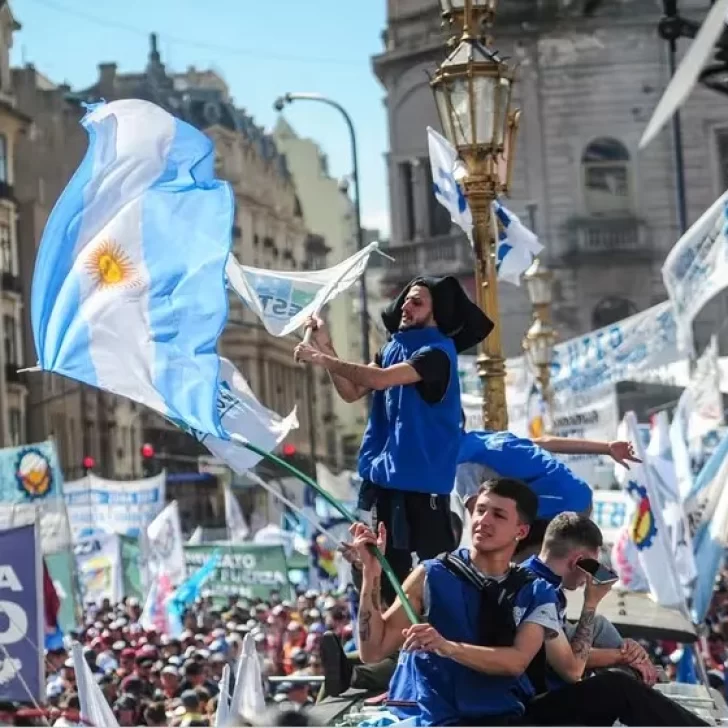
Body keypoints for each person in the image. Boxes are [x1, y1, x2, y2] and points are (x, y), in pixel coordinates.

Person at [295, 275, 493, 604]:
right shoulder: (391, 347)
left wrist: (321, 358)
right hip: (382, 482)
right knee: (384, 572)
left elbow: (379, 379)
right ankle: (393, 647)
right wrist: (325, 346)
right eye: (405, 299)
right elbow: (352, 390)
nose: (405, 305)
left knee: (432, 577)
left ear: (436, 313)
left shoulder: (437, 353)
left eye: (417, 302)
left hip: (421, 485)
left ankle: (443, 641)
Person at [349, 477, 562, 726]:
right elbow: (373, 651)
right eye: (480, 510)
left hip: (497, 716)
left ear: (521, 531)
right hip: (429, 717)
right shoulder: (429, 574)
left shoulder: (537, 591)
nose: (483, 520)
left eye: (498, 515)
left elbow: (516, 662)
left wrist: (447, 647)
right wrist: (371, 571)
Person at [520, 513, 708, 726]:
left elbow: (563, 650)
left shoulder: (536, 578)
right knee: (618, 685)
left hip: (544, 697)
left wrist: (624, 655)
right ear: (579, 562)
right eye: (592, 567)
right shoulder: (538, 591)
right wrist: (590, 604)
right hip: (530, 706)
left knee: (598, 627)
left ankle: (642, 673)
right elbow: (572, 670)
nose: (588, 579)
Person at [456, 428, 641, 559]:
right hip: (581, 496)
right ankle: (598, 575)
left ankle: (536, 606)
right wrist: (607, 447)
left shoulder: (463, 464)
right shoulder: (489, 439)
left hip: (554, 510)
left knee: (508, 560)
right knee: (571, 558)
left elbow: (481, 526)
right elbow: (545, 442)